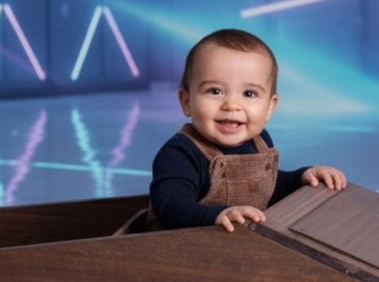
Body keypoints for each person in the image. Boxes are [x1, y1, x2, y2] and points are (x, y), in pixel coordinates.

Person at [148, 28, 347, 232]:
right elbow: (171, 207)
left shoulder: (260, 141)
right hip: (180, 246)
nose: (232, 105)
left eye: (249, 94)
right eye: (215, 91)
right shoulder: (180, 154)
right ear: (187, 101)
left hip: (239, 245)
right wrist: (217, 215)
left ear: (269, 108)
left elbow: (266, 187)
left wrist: (302, 177)